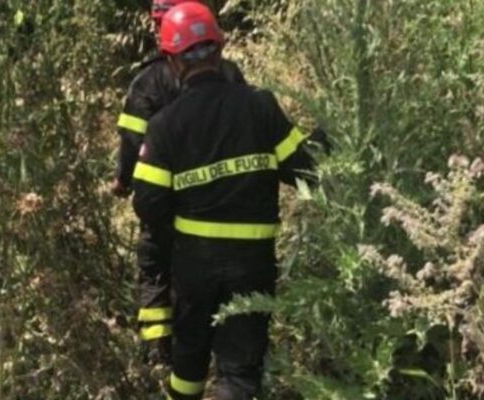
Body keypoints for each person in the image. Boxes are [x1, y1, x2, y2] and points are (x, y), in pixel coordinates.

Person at [132, 2, 330, 399]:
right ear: (220, 50)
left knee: (188, 362)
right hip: (252, 261)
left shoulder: (165, 126)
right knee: (240, 371)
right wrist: (329, 137)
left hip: (194, 264)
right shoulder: (260, 105)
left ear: (172, 61)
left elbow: (148, 205)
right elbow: (306, 177)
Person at [112, 0, 246, 366]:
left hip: (163, 200)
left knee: (154, 265)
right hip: (219, 201)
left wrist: (123, 181)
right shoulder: (229, 74)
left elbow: (130, 143)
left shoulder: (147, 81)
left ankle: (161, 354)